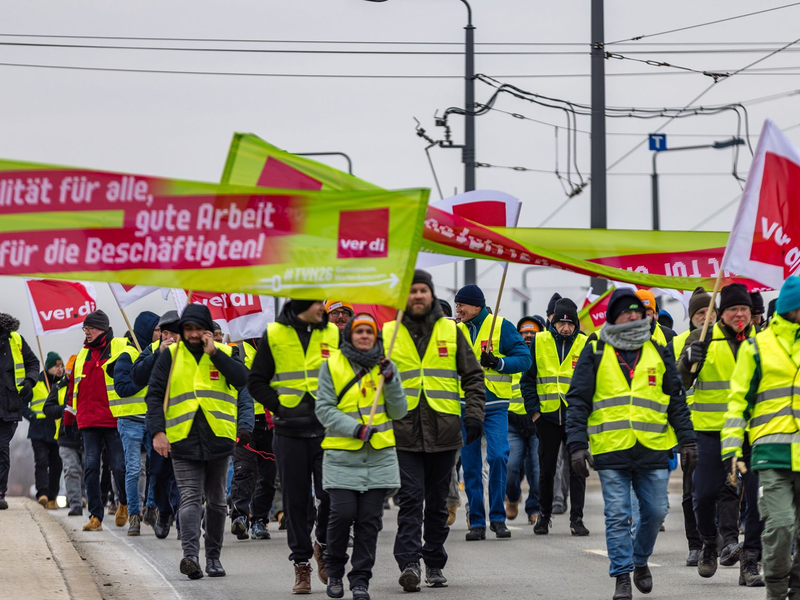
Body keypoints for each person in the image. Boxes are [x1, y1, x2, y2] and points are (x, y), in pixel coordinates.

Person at [566, 288, 698, 600]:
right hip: (610, 448)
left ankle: (640, 561)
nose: (632, 315)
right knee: (617, 514)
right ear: (613, 316)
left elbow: (676, 400)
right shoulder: (596, 349)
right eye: (625, 311)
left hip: (652, 447)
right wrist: (576, 444)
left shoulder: (657, 349)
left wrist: (688, 441)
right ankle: (622, 575)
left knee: (655, 511)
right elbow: (578, 399)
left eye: (636, 311)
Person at [384, 270, 485, 591]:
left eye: (422, 290)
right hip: (402, 432)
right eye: (411, 291)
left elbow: (472, 376)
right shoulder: (388, 333)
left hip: (445, 431)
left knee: (438, 502)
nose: (417, 296)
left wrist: (474, 415)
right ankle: (410, 562)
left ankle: (435, 562)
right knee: (411, 500)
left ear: (430, 295)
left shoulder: (450, 331)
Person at [146, 304, 253, 580]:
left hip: (218, 437)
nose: (193, 334)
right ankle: (190, 556)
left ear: (208, 330)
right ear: (182, 330)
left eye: (198, 329)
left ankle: (214, 557)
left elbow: (242, 380)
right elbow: (155, 396)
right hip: (182, 438)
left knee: (217, 501)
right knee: (191, 499)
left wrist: (215, 353)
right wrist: (158, 432)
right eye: (188, 329)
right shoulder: (170, 355)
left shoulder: (226, 352)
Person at [248, 299, 340, 594]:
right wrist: (279, 408)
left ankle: (322, 545)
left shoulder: (333, 334)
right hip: (288, 432)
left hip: (327, 430)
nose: (322, 308)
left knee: (332, 496)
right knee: (295, 503)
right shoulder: (274, 334)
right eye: (317, 302)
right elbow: (256, 381)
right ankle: (301, 564)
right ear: (302, 304)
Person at [316, 313, 408, 600]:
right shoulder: (332, 365)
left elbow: (399, 411)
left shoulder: (386, 367)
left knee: (369, 521)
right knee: (342, 515)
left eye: (370, 331)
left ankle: (360, 580)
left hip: (378, 457)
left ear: (376, 336)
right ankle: (334, 571)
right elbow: (324, 409)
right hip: (342, 456)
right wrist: (355, 429)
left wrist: (391, 381)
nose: (365, 335)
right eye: (359, 331)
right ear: (350, 335)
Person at [678, 283, 764, 585]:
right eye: (732, 309)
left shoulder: (763, 341)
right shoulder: (703, 339)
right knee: (703, 495)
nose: (739, 314)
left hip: (753, 432)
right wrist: (689, 361)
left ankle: (751, 560)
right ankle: (708, 543)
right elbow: (681, 383)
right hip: (710, 430)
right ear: (722, 314)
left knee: (756, 498)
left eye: (744, 309)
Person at [721, 276, 800, 600]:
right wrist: (731, 449)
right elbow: (737, 401)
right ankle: (777, 590)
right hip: (772, 453)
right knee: (781, 526)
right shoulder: (758, 346)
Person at [455, 284, 531, 541]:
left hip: (496, 405)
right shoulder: (455, 330)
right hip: (465, 406)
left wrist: (498, 362)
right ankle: (476, 520)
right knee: (471, 466)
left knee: (499, 457)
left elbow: (524, 359)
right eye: (456, 305)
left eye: (462, 305)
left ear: (477, 306)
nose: (458, 309)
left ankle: (497, 518)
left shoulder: (501, 326)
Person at [521, 298, 589, 536]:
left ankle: (577, 519)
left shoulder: (584, 343)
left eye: (570, 323)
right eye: (561, 322)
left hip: (575, 417)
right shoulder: (539, 341)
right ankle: (544, 517)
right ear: (553, 322)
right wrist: (535, 413)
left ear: (576, 323)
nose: (566, 328)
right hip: (547, 418)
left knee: (577, 468)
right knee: (546, 469)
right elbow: (527, 380)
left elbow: (593, 381)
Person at [62, 310, 131, 531]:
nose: (87, 332)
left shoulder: (121, 347)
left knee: (119, 467)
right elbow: (72, 391)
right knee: (91, 467)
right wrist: (68, 420)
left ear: (103, 328)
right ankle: (95, 516)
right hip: (88, 420)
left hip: (114, 418)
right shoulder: (82, 355)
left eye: (90, 328)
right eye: (85, 329)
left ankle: (123, 503)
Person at [670, 287, 718, 566]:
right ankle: (695, 543)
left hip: (722, 426)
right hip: (689, 427)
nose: (707, 316)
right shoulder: (678, 342)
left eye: (711, 311)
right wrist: (688, 360)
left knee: (723, 490)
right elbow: (673, 383)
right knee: (692, 491)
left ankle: (719, 540)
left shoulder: (725, 340)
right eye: (701, 312)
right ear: (692, 317)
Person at [131, 310, 181, 539]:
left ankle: (182, 521)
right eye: (165, 333)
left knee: (181, 475)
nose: (169, 338)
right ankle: (164, 511)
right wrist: (158, 355)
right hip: (158, 423)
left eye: (173, 333)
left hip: (184, 423)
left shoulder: (189, 353)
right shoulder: (150, 351)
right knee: (158, 473)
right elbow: (137, 376)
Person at [112, 310, 158, 536]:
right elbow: (122, 389)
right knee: (133, 470)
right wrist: (143, 376)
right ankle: (134, 515)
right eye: (157, 329)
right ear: (146, 331)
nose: (160, 333)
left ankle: (151, 507)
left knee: (156, 468)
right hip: (131, 420)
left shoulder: (159, 354)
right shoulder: (127, 356)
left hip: (153, 419)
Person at [230, 336, 277, 542]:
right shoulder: (237, 350)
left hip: (272, 422)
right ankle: (239, 516)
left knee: (268, 476)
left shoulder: (278, 348)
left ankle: (260, 519)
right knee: (243, 470)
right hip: (246, 424)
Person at [505, 316, 545, 525]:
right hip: (513, 423)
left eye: (533, 332)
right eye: (524, 332)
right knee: (511, 468)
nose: (528, 336)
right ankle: (512, 498)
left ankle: (533, 509)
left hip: (537, 423)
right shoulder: (511, 356)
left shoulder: (545, 358)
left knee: (537, 471)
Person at [0, 312, 39, 510]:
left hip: (9, 405)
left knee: (1, 448)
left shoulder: (15, 339)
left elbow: (33, 363)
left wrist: (30, 381)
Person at [43, 355, 84, 516]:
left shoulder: (86, 385)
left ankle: (91, 501)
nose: (69, 374)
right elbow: (47, 409)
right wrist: (65, 409)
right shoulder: (59, 387)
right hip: (65, 435)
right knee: (71, 469)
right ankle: (75, 504)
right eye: (68, 371)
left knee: (90, 469)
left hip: (87, 433)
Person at [24, 351, 64, 510]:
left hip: (57, 429)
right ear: (48, 367)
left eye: (61, 366)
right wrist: (32, 416)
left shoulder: (63, 383)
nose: (59, 369)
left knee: (56, 464)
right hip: (38, 429)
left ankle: (52, 497)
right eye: (56, 366)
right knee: (41, 462)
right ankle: (42, 494)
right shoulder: (35, 382)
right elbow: (22, 405)